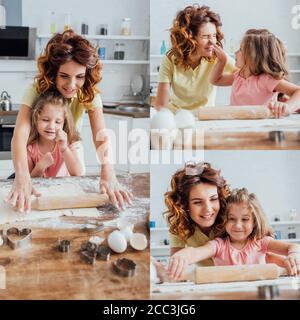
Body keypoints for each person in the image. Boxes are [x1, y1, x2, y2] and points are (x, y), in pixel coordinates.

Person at [5, 30, 132, 213]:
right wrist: (22, 175)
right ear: (53, 72)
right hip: (39, 144)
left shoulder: (89, 92)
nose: (72, 85)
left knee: (74, 182)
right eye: (64, 76)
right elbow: (20, 135)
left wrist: (108, 171)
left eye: (79, 77)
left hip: (69, 143)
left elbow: (101, 135)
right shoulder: (36, 89)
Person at [168, 188, 300, 281]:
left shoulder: (261, 242)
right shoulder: (218, 245)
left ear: (254, 222)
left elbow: (293, 247)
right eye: (232, 219)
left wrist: (293, 255)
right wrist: (185, 254)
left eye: (245, 219)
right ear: (225, 220)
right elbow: (198, 252)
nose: (237, 225)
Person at [155, 4, 236, 114]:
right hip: (177, 118)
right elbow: (161, 105)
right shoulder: (170, 59)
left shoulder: (218, 57)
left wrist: (222, 67)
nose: (212, 42)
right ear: (189, 38)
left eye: (214, 35)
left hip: (205, 119)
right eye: (205, 36)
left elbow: (243, 74)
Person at [210, 29, 300, 118]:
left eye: (241, 49)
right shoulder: (238, 75)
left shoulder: (267, 79)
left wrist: (288, 107)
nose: (235, 52)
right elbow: (216, 80)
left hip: (260, 127)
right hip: (236, 125)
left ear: (254, 57)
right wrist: (222, 61)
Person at [27, 92, 84, 178]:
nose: (51, 126)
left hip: (65, 189)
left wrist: (64, 149)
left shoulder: (69, 142)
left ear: (64, 123)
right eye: (45, 120)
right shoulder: (31, 149)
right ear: (35, 119)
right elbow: (28, 181)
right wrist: (40, 167)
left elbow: (77, 173)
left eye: (57, 122)